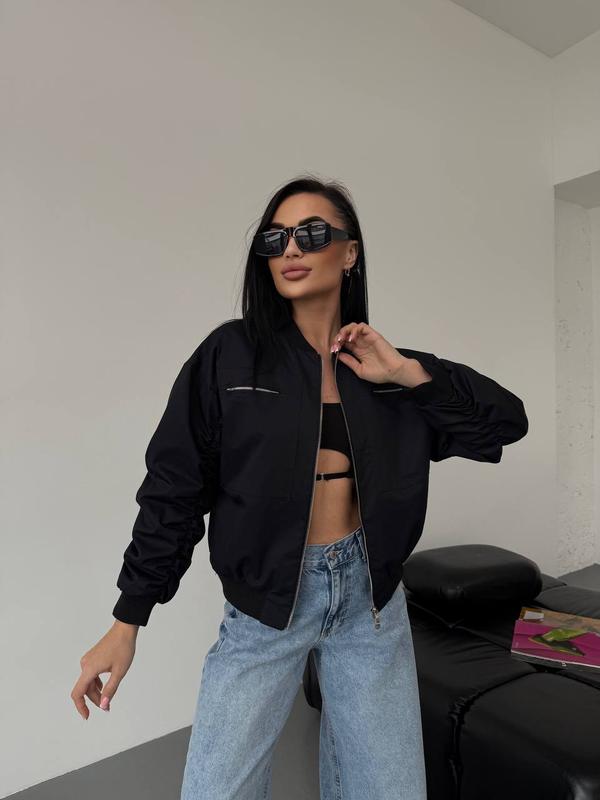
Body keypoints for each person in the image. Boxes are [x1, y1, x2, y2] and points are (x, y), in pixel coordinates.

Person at [71, 175, 528, 799]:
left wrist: (407, 373)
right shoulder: (229, 356)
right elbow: (174, 489)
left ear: (349, 251)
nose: (290, 248)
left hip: (370, 603)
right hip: (265, 607)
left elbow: (504, 424)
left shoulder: (383, 369)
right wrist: (128, 618)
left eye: (311, 233)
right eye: (275, 237)